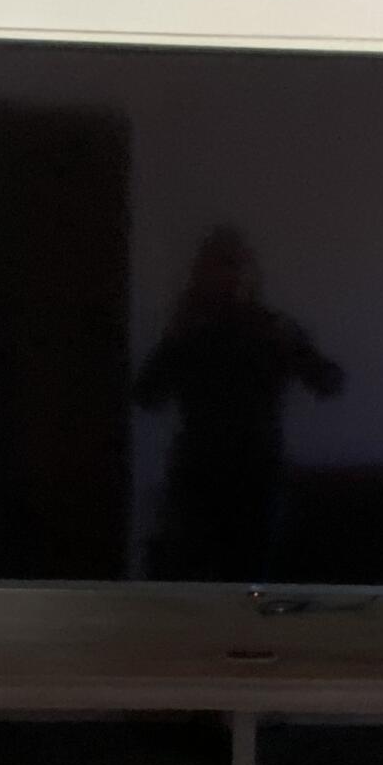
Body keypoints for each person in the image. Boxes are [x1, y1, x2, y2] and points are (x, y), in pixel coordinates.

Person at [132, 226, 344, 579]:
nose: (226, 278)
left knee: (248, 579)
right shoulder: (190, 331)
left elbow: (328, 381)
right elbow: (146, 395)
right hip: (202, 476)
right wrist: (174, 340)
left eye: (233, 266)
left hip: (252, 474)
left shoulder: (269, 328)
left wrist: (292, 345)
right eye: (217, 267)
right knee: (202, 579)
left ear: (249, 274)